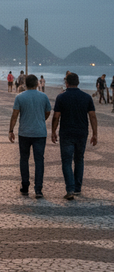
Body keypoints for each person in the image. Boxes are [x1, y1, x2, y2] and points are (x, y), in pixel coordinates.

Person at [51, 72, 97, 200]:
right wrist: (95, 134)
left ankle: (70, 189)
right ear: (78, 83)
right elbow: (92, 116)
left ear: (66, 83)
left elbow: (56, 116)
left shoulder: (61, 97)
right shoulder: (87, 97)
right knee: (79, 159)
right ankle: (77, 188)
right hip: (82, 133)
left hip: (66, 133)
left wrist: (53, 131)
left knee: (66, 161)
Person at [8, 74, 52, 199]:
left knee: (24, 159)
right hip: (40, 133)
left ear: (25, 84)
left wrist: (11, 130)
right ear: (37, 84)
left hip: (24, 133)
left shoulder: (20, 97)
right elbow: (48, 112)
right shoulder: (44, 97)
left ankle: (25, 186)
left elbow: (15, 115)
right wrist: (41, 119)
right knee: (39, 161)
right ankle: (38, 189)